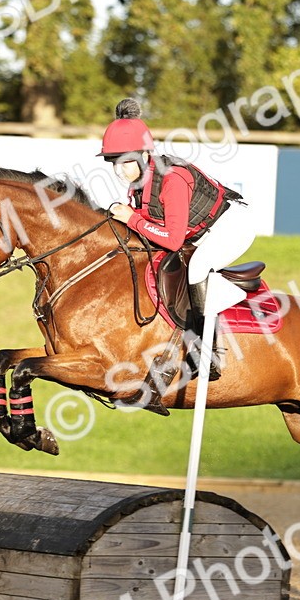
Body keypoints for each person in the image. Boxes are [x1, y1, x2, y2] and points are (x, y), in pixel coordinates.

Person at [99, 98, 254, 390]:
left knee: (196, 270)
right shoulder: (140, 179)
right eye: (114, 163)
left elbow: (172, 239)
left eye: (125, 162)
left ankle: (206, 352)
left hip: (232, 227)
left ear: (145, 154)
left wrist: (131, 219)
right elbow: (148, 220)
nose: (120, 171)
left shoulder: (172, 179)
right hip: (199, 231)